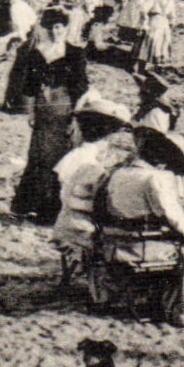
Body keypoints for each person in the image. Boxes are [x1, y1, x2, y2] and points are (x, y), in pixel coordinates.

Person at [97, 127, 184, 326]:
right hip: (140, 247)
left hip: (114, 242)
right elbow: (177, 221)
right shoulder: (154, 179)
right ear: (163, 160)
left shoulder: (119, 172)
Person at [12, 7, 85, 223]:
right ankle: (34, 206)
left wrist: (75, 117)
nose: (55, 32)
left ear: (65, 28)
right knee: (39, 158)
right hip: (44, 109)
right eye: (51, 27)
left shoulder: (74, 53)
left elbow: (81, 87)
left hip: (65, 109)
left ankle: (55, 210)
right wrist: (31, 111)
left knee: (61, 159)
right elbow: (30, 85)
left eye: (59, 27)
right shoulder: (38, 52)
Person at [53, 92, 134, 254]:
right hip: (82, 228)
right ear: (109, 132)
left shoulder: (79, 155)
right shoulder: (88, 160)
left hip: (67, 222)